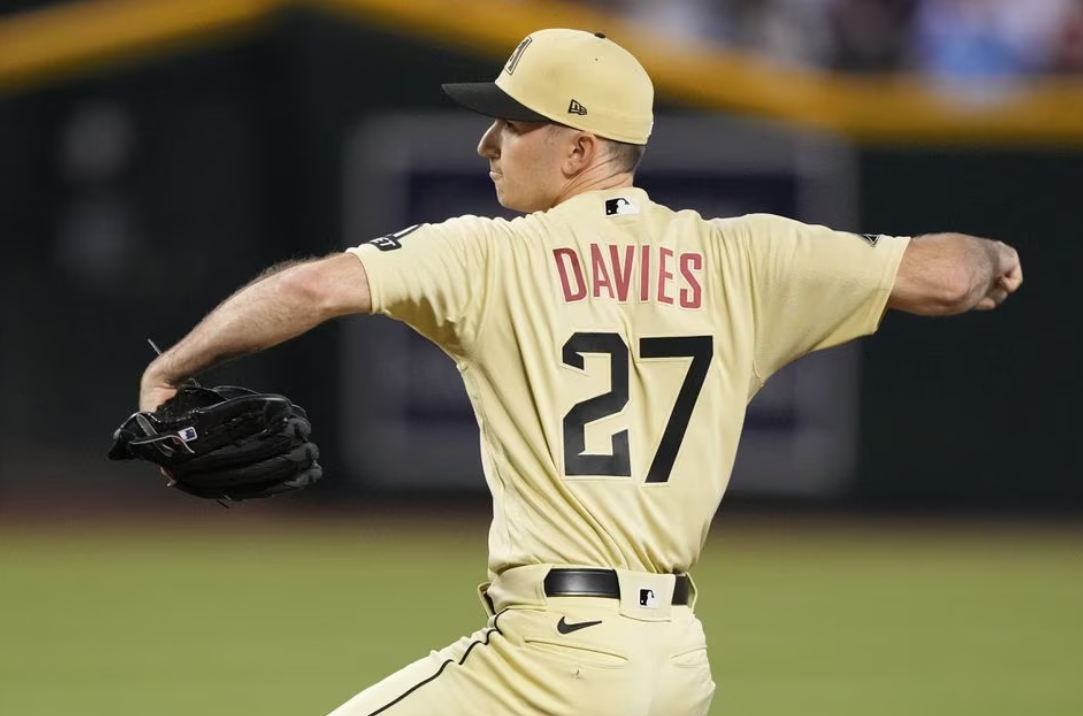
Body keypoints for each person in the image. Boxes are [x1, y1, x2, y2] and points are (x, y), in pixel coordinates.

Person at [137, 28, 1022, 716]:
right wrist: (994, 253)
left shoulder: (487, 257)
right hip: (674, 664)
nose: (488, 140)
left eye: (512, 121)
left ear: (576, 149)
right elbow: (946, 276)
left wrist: (173, 369)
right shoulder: (743, 258)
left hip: (551, 660)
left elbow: (314, 286)